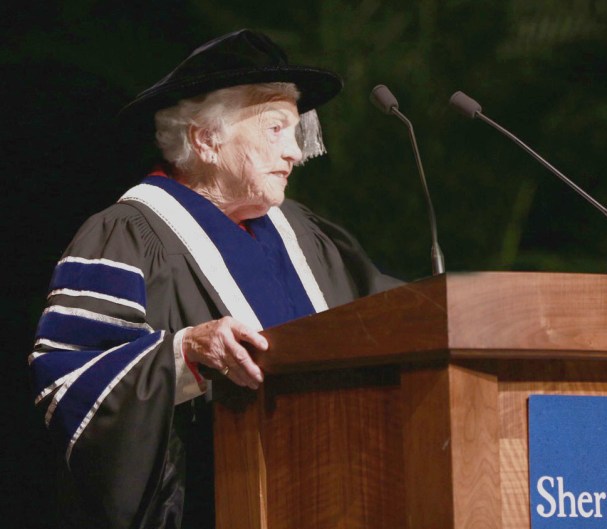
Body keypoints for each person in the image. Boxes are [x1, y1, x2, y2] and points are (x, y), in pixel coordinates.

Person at [29, 29, 401, 529]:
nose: (294, 152)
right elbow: (67, 382)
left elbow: (395, 317)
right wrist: (183, 354)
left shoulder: (306, 235)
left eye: (296, 131)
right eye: (275, 128)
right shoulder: (126, 236)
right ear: (206, 139)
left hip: (335, 500)